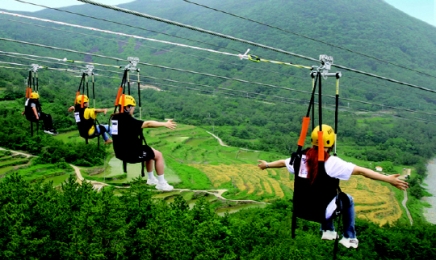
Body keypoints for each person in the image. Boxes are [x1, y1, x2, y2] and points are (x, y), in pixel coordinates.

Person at [257, 124, 408, 249]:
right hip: (322, 212)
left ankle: (328, 230)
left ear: (313, 140)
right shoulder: (332, 163)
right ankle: (349, 237)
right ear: (330, 144)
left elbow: (283, 162)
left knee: (321, 197)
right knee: (347, 199)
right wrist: (388, 179)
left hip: (301, 208)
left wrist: (267, 165)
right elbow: (362, 171)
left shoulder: (299, 158)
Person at [110, 94, 176, 191]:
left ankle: (151, 179)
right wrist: (164, 124)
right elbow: (148, 124)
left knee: (149, 152)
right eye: (132, 108)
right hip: (131, 154)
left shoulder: (115, 118)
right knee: (159, 155)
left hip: (120, 152)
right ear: (127, 107)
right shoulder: (128, 120)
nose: (133, 110)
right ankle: (162, 183)